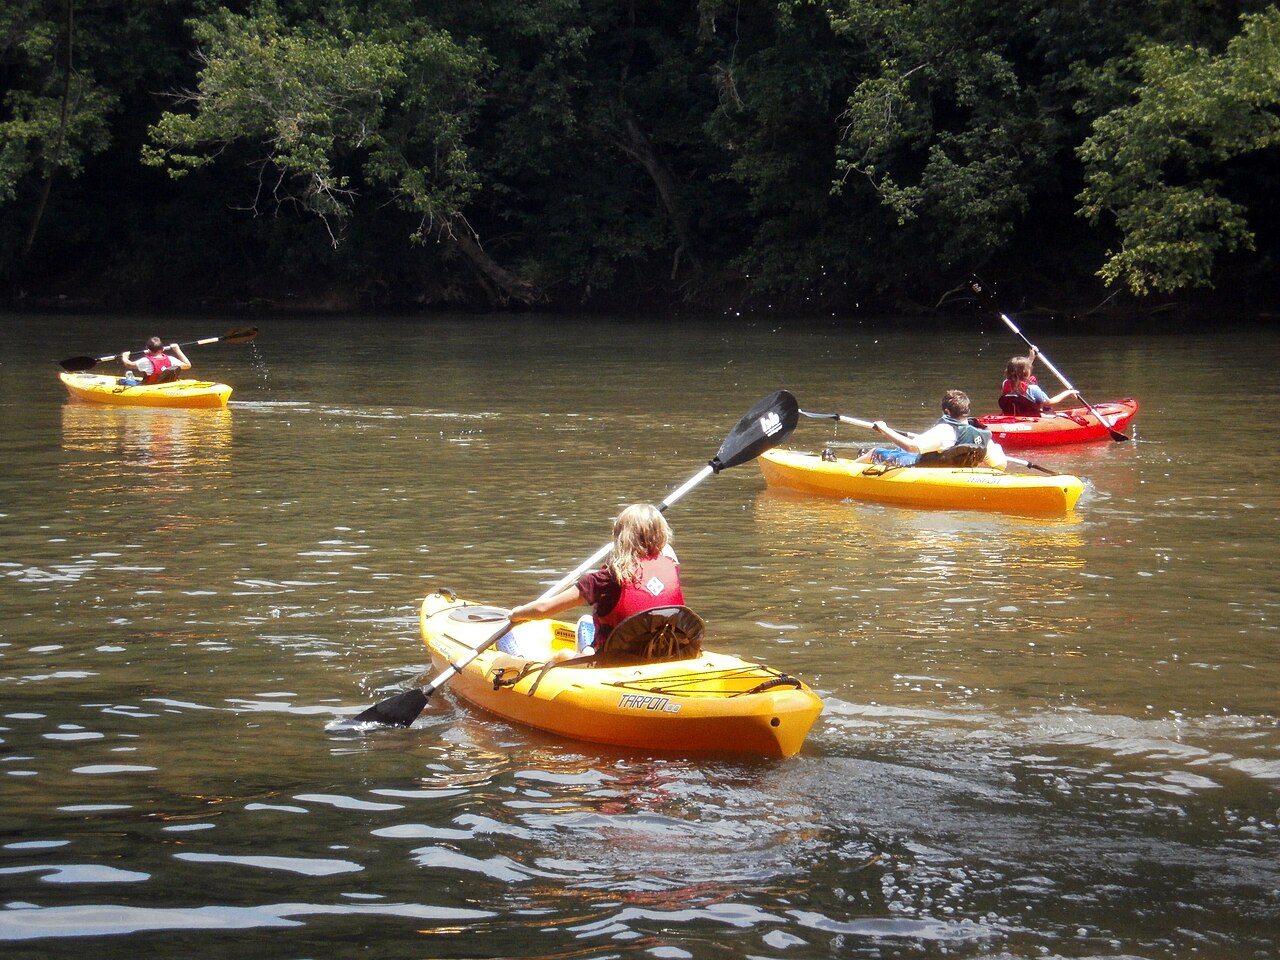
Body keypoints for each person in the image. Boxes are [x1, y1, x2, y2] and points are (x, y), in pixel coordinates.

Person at [505, 503, 683, 661]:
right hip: (659, 655)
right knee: (588, 632)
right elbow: (666, 549)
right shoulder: (671, 567)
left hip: (612, 664)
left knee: (562, 655)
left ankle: (518, 660)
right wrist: (651, 529)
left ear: (619, 537)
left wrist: (516, 613)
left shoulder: (606, 578)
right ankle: (587, 648)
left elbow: (542, 609)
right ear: (662, 536)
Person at [858, 389, 1008, 470]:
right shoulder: (981, 435)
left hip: (923, 466)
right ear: (966, 411)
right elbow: (1000, 464)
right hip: (957, 470)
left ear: (947, 412)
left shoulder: (945, 430)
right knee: (900, 449)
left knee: (875, 452)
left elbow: (912, 447)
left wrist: (884, 429)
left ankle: (851, 469)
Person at [1001, 346, 1077, 413]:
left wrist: (1031, 357)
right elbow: (1049, 403)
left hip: (1012, 415)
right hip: (1031, 418)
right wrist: (1068, 392)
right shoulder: (1033, 389)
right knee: (1051, 410)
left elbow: (1017, 372)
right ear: (1026, 372)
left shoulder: (1005, 383)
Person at [121, 337, 191, 385]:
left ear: (148, 350)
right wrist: (177, 350)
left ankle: (130, 379)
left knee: (122, 381)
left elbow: (129, 364)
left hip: (150, 386)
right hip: (166, 384)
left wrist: (125, 357)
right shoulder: (171, 359)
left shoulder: (145, 361)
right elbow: (188, 365)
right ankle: (130, 378)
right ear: (162, 349)